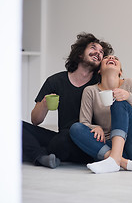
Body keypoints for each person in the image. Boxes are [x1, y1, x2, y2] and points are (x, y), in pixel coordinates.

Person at [22, 32, 114, 169]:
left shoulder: (100, 83)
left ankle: (34, 151)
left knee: (65, 136)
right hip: (62, 139)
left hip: (90, 141)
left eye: (101, 52)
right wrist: (45, 104)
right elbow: (35, 120)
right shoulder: (55, 81)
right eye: (93, 48)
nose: (98, 53)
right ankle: (39, 156)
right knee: (15, 126)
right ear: (80, 54)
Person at [69, 55, 132, 174]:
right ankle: (122, 162)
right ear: (99, 70)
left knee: (118, 103)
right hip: (109, 146)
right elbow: (84, 122)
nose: (111, 58)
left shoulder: (130, 83)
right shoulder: (90, 91)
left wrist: (128, 96)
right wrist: (95, 127)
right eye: (106, 58)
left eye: (116, 58)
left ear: (120, 71)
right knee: (75, 128)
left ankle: (114, 160)